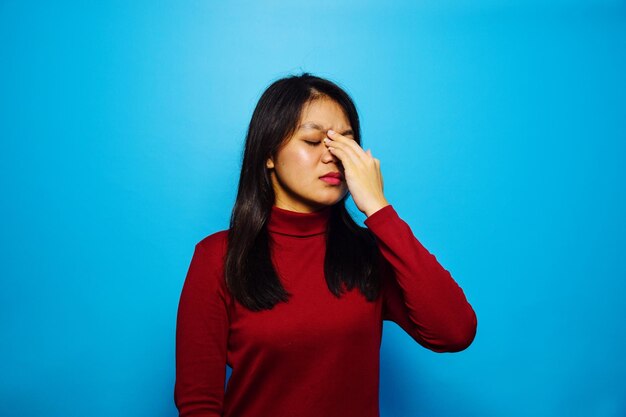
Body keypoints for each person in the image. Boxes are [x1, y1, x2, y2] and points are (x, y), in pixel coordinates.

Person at [174, 73, 477, 417]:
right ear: (268, 154)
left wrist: (379, 208)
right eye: (314, 140)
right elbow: (198, 402)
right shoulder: (219, 257)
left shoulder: (370, 254)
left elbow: (455, 331)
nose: (332, 156)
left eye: (343, 143)